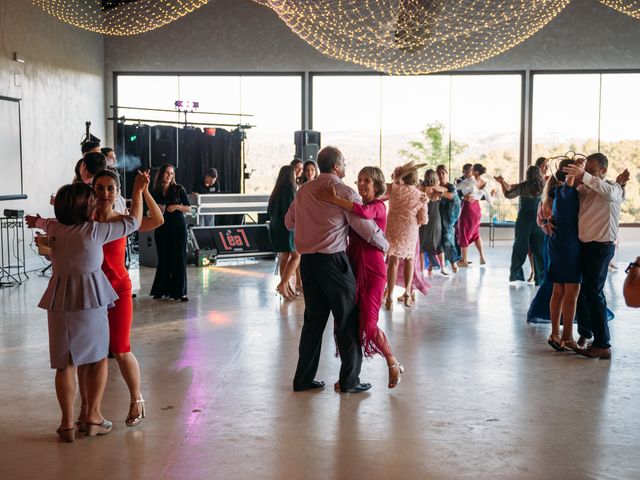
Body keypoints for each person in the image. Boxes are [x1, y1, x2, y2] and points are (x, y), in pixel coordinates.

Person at [27, 175, 145, 442]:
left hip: (58, 301)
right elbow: (135, 221)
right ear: (85, 208)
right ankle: (92, 417)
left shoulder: (56, 229)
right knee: (98, 357)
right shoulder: (95, 231)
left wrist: (36, 222)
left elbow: (46, 223)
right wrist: (137, 192)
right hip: (90, 300)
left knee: (64, 364)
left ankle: (67, 423)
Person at [285, 146, 389, 393]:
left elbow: (288, 222)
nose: (345, 166)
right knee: (347, 320)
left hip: (308, 264)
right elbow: (365, 227)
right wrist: (386, 244)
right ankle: (349, 381)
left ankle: (303, 379)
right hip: (334, 262)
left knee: (313, 322)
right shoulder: (344, 192)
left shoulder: (303, 191)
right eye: (344, 162)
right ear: (336, 166)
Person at [316, 166, 403, 388]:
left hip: (373, 270)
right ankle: (349, 376)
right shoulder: (361, 205)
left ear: (376, 184)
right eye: (359, 180)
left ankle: (392, 361)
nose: (361, 184)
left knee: (369, 324)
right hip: (351, 265)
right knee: (346, 323)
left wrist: (335, 200)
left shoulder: (378, 207)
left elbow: (364, 214)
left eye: (367, 180)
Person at [93, 169, 164, 428]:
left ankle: (137, 399)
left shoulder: (124, 221)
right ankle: (92, 413)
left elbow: (157, 220)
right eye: (99, 188)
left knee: (120, 348)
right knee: (95, 354)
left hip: (119, 290)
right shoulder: (85, 221)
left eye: (110, 188)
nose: (104, 193)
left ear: (117, 193)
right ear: (92, 192)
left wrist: (143, 191)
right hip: (92, 292)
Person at [563, 153, 625, 359]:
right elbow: (567, 197)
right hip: (584, 246)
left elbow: (608, 191)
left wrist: (585, 176)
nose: (586, 173)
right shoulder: (585, 189)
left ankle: (603, 344)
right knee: (584, 292)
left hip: (601, 247)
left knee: (594, 293)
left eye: (590, 170)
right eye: (585, 169)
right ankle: (586, 334)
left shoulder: (613, 189)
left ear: (603, 171)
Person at [539, 159, 581, 350]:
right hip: (570, 244)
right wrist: (573, 175)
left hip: (556, 243)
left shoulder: (554, 193)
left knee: (558, 290)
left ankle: (555, 333)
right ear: (570, 174)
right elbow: (568, 187)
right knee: (571, 292)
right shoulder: (566, 192)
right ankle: (567, 336)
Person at [383, 161, 428, 309]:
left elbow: (382, 192)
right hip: (410, 229)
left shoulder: (394, 189)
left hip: (393, 227)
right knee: (409, 259)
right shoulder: (421, 196)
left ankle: (389, 297)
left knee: (393, 260)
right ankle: (408, 293)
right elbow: (423, 219)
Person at [494, 165, 545, 285]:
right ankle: (540, 278)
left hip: (524, 220)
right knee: (539, 250)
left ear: (528, 174)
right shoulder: (543, 186)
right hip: (539, 220)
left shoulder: (523, 186)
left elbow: (508, 194)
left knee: (519, 246)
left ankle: (516, 274)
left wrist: (501, 183)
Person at [150, 164, 191, 302]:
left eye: (171, 173)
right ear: (161, 173)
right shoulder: (155, 190)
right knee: (163, 258)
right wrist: (156, 210)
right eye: (167, 172)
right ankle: (161, 290)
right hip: (161, 227)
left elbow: (189, 208)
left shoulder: (179, 189)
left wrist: (176, 206)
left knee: (179, 258)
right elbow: (149, 210)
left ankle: (180, 292)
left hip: (178, 228)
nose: (169, 175)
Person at [268, 165, 299, 300]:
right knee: (297, 255)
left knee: (285, 256)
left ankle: (285, 288)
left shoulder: (277, 190)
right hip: (287, 228)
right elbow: (292, 211)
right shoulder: (290, 189)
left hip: (276, 227)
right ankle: (283, 284)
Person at [456, 163, 492, 267]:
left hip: (468, 208)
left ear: (476, 172)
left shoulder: (468, 181)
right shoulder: (485, 184)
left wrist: (463, 197)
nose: (470, 171)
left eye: (472, 169)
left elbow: (455, 188)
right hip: (477, 209)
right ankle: (482, 257)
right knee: (476, 234)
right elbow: (490, 200)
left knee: (463, 232)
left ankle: (464, 260)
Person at [419, 169, 447, 274]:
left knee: (421, 245)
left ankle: (421, 270)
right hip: (436, 218)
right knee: (438, 243)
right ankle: (443, 267)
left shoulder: (421, 188)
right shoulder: (439, 189)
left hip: (423, 217)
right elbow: (445, 191)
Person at [436, 164, 461, 272]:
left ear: (446, 174)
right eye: (438, 173)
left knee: (447, 239)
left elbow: (452, 196)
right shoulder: (434, 185)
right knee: (436, 240)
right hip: (436, 216)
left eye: (443, 173)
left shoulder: (450, 186)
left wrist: (440, 191)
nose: (441, 175)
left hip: (447, 217)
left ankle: (453, 262)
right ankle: (440, 265)